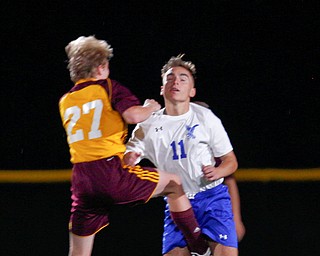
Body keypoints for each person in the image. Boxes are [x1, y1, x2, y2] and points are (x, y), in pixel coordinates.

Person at [59, 37, 210, 256]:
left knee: (79, 251)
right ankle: (199, 246)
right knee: (175, 183)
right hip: (109, 171)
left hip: (82, 180)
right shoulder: (108, 86)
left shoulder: (66, 100)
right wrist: (149, 107)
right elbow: (132, 115)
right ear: (101, 67)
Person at [124, 54, 239, 255]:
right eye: (169, 78)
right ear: (162, 88)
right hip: (177, 204)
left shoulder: (206, 118)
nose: (175, 81)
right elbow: (129, 158)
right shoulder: (148, 124)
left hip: (212, 198)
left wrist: (218, 171)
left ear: (192, 91)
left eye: (182, 78)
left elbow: (231, 161)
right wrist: (130, 159)